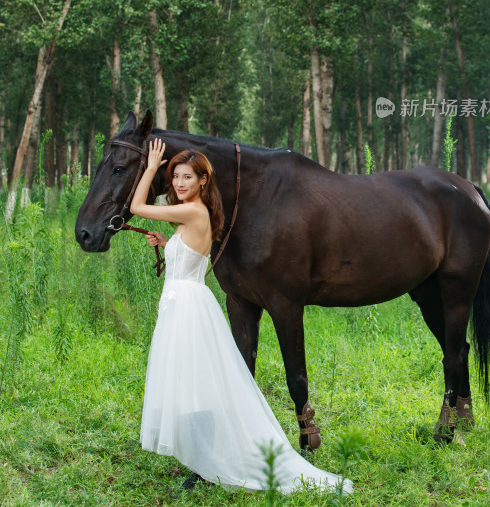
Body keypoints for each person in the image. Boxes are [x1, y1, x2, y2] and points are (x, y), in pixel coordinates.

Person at [130, 138, 353, 493]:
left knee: (194, 384)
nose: (179, 183)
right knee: (192, 382)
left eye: (186, 177)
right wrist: (165, 242)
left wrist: (153, 165)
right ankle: (204, 454)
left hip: (186, 306)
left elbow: (138, 205)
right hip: (183, 302)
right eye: (175, 177)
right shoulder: (194, 214)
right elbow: (189, 255)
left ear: (204, 181)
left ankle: (210, 458)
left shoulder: (192, 210)